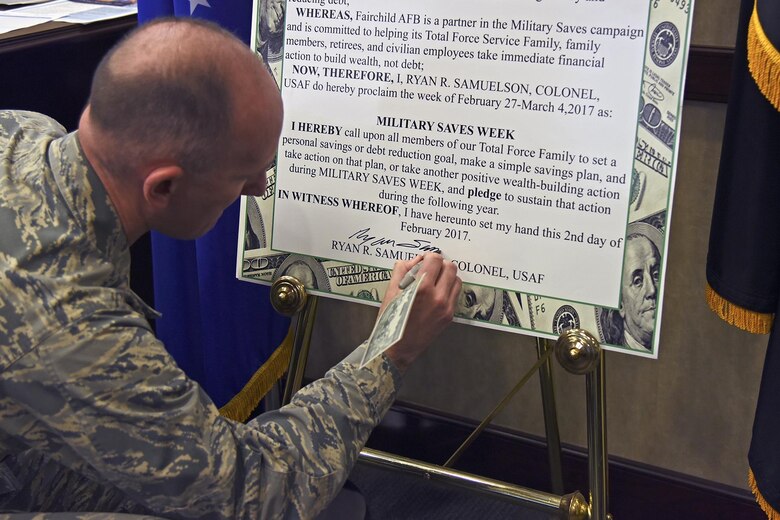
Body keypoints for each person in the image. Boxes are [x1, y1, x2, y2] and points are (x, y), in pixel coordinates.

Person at [0, 18, 461, 519]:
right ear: (164, 187)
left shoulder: (24, 131)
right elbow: (252, 494)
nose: (259, 188)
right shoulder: (68, 321)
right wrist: (388, 354)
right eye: (244, 174)